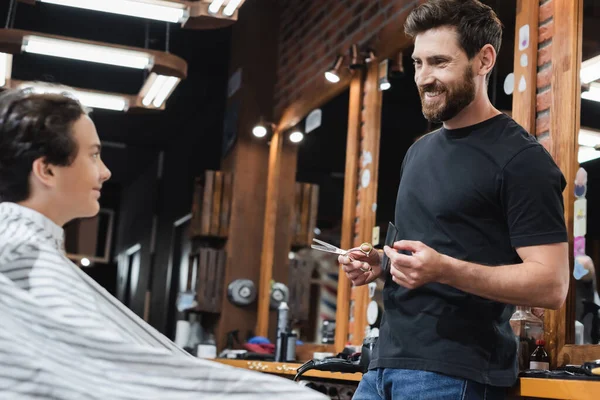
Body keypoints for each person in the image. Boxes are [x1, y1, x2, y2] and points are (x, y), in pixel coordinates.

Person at [0, 87, 327, 399]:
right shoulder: (21, 260)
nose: (105, 172)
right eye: (94, 155)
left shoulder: (24, 251)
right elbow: (120, 379)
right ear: (47, 170)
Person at [340, 1, 569, 398]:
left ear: (484, 60)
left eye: (439, 62)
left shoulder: (521, 159)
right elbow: (422, 252)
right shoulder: (418, 152)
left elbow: (551, 284)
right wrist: (380, 261)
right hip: (382, 365)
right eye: (417, 63)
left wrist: (443, 269)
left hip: (455, 374)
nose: (423, 78)